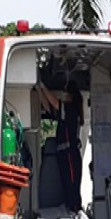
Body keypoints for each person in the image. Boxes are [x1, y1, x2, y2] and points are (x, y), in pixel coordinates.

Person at [39, 80, 84, 212]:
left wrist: (43, 86)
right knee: (66, 183)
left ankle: (75, 209)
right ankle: (70, 208)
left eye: (66, 94)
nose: (64, 97)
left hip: (70, 152)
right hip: (64, 153)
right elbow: (48, 107)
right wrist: (39, 88)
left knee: (72, 184)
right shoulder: (66, 113)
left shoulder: (72, 110)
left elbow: (55, 103)